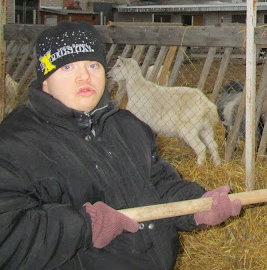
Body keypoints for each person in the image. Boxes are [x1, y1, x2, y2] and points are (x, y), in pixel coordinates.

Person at [0, 21, 242, 269]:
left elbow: (158, 185)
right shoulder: (15, 144)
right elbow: (7, 236)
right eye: (68, 66)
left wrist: (196, 205)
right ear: (45, 80)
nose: (84, 76)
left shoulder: (128, 127)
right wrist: (84, 226)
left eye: (93, 65)